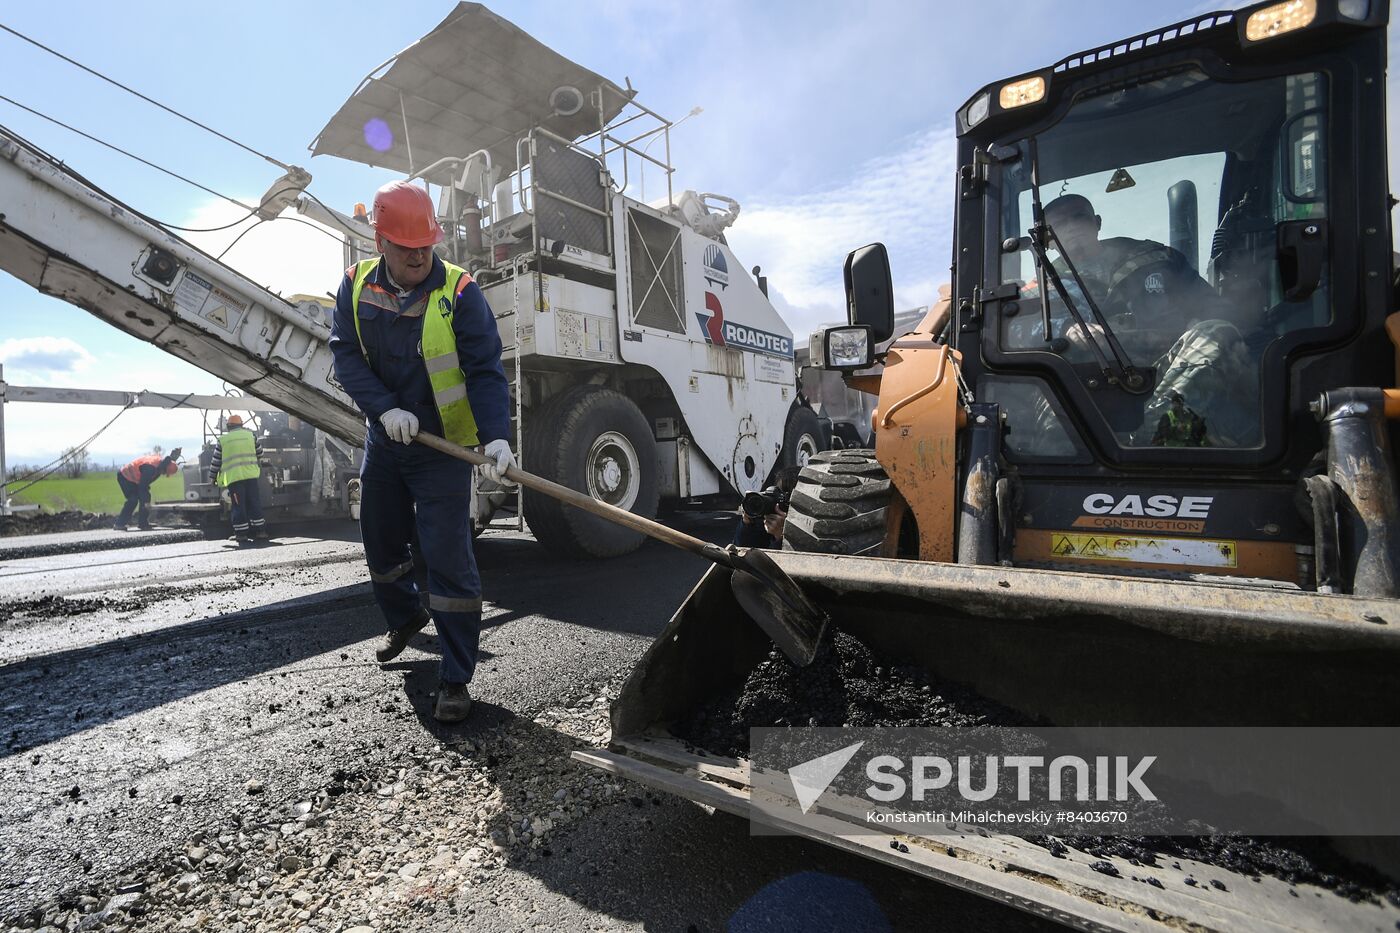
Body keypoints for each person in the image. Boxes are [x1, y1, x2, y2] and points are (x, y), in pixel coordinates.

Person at [328, 179, 513, 724]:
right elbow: (345, 355)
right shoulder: (355, 284)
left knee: (447, 558)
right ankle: (404, 617)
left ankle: (456, 678)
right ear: (379, 242)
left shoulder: (460, 291)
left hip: (443, 448)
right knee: (380, 542)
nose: (418, 256)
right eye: (406, 247)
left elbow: (484, 369)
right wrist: (384, 409)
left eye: (425, 245)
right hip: (386, 439)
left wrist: (495, 434)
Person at [1040, 193, 1259, 448]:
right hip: (1088, 384)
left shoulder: (1157, 259)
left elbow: (1215, 308)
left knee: (1217, 331)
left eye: (1079, 217)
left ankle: (1155, 439)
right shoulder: (1041, 287)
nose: (1071, 227)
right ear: (1047, 240)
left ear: (1097, 222)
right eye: (1059, 224)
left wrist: (1196, 324)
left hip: (1169, 372)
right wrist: (1065, 328)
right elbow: (1018, 333)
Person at [208, 414, 267, 542]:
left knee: (238, 505)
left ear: (228, 427)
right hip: (251, 476)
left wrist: (212, 477)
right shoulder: (251, 436)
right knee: (254, 502)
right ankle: (261, 532)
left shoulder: (223, 440)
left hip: (235, 479)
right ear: (241, 425)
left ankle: (241, 534)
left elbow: (216, 461)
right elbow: (260, 454)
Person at [114, 448, 182, 531]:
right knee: (134, 499)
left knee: (145, 497)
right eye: (165, 472)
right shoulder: (150, 468)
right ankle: (120, 524)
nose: (164, 474)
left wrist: (173, 457)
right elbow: (143, 486)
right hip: (125, 476)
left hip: (134, 480)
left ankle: (142, 523)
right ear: (164, 468)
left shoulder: (161, 463)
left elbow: (167, 461)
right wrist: (145, 500)